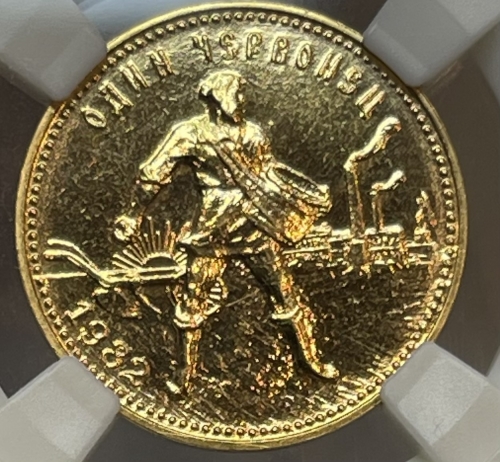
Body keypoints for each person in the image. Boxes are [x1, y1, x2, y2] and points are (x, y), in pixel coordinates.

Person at [138, 70, 338, 391]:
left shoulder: (253, 133)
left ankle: (309, 360)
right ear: (220, 97)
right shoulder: (190, 133)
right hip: (213, 231)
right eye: (238, 92)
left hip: (254, 226)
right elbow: (154, 174)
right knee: (193, 301)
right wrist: (135, 216)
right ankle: (185, 376)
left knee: (285, 293)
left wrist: (301, 196)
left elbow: (270, 177)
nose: (243, 100)